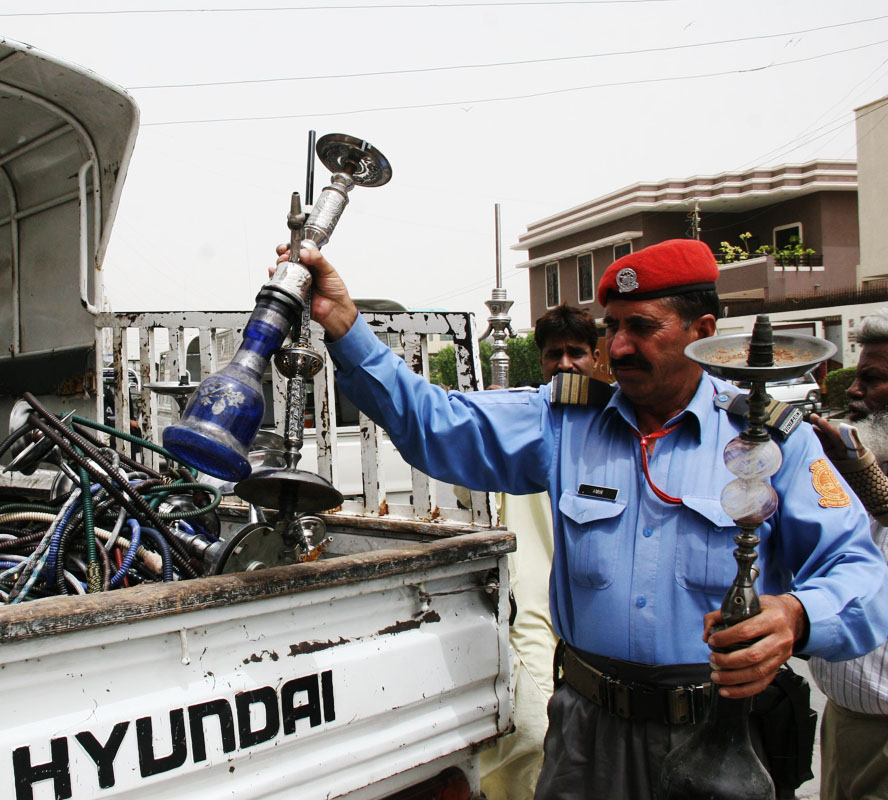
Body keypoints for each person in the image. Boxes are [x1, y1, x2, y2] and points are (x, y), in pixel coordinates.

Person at [278, 238, 888, 799]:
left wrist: (797, 616)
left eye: (642, 328)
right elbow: (436, 425)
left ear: (703, 331)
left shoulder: (770, 440)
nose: (617, 347)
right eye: (612, 327)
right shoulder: (565, 420)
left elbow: (861, 574)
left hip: (719, 738)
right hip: (586, 739)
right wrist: (345, 326)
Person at [480, 304, 599, 800]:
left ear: (597, 357)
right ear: (541, 360)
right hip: (532, 594)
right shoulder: (524, 420)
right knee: (533, 725)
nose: (566, 364)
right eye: (555, 355)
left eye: (577, 353)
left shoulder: (614, 422)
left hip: (592, 602)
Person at [808, 309, 888, 800]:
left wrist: (860, 472)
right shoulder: (841, 474)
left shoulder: (858, 472)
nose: (852, 392)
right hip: (844, 726)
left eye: (872, 379)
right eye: (855, 377)